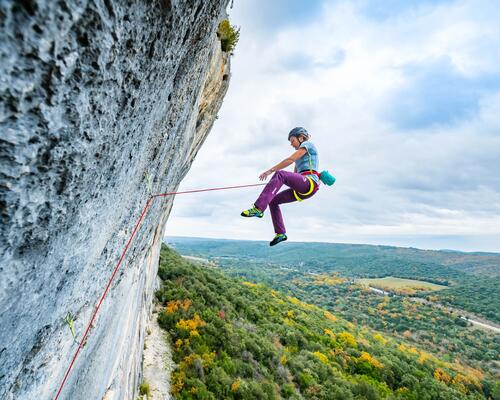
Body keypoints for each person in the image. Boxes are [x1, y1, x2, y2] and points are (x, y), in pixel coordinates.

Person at [241, 127, 320, 246]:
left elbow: (290, 159)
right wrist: (275, 183)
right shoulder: (300, 160)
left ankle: (258, 208)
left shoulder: (308, 145)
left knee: (280, 174)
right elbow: (294, 176)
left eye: (292, 140)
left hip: (310, 183)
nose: (291, 144)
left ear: (301, 138)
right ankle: (280, 233)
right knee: (273, 201)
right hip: (302, 189)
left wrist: (269, 172)